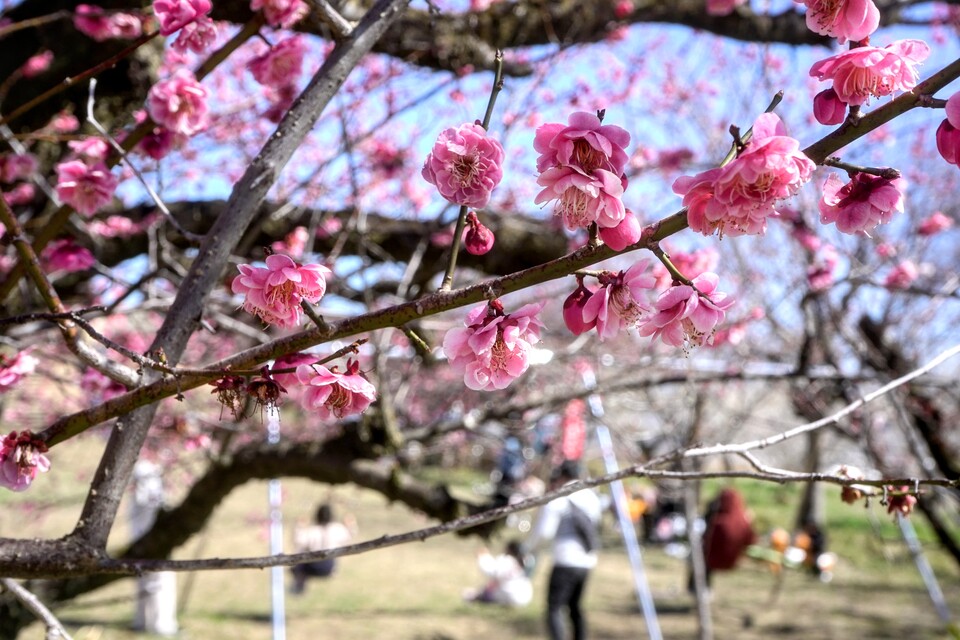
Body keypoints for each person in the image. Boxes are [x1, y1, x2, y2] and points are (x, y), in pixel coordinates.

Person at [523, 460, 602, 640]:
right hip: (587, 560)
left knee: (554, 607)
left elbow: (544, 532)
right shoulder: (591, 496)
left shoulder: (561, 496)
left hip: (566, 559)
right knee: (575, 606)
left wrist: (529, 549)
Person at [290, 503, 355, 594]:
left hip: (312, 566)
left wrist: (299, 526)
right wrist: (350, 524)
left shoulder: (312, 531)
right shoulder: (337, 529)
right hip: (329, 567)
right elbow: (349, 535)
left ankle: (299, 586)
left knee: (298, 564)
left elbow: (298, 540)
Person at [700, 488, 756, 586]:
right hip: (732, 561)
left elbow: (706, 542)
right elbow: (751, 541)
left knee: (698, 558)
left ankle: (698, 586)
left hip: (714, 560)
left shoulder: (718, 522)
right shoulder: (744, 522)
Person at [463, 540, 533, 607]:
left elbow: (490, 571)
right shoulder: (523, 562)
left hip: (511, 596)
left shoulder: (508, 560)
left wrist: (482, 556)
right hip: (525, 598)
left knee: (468, 593)